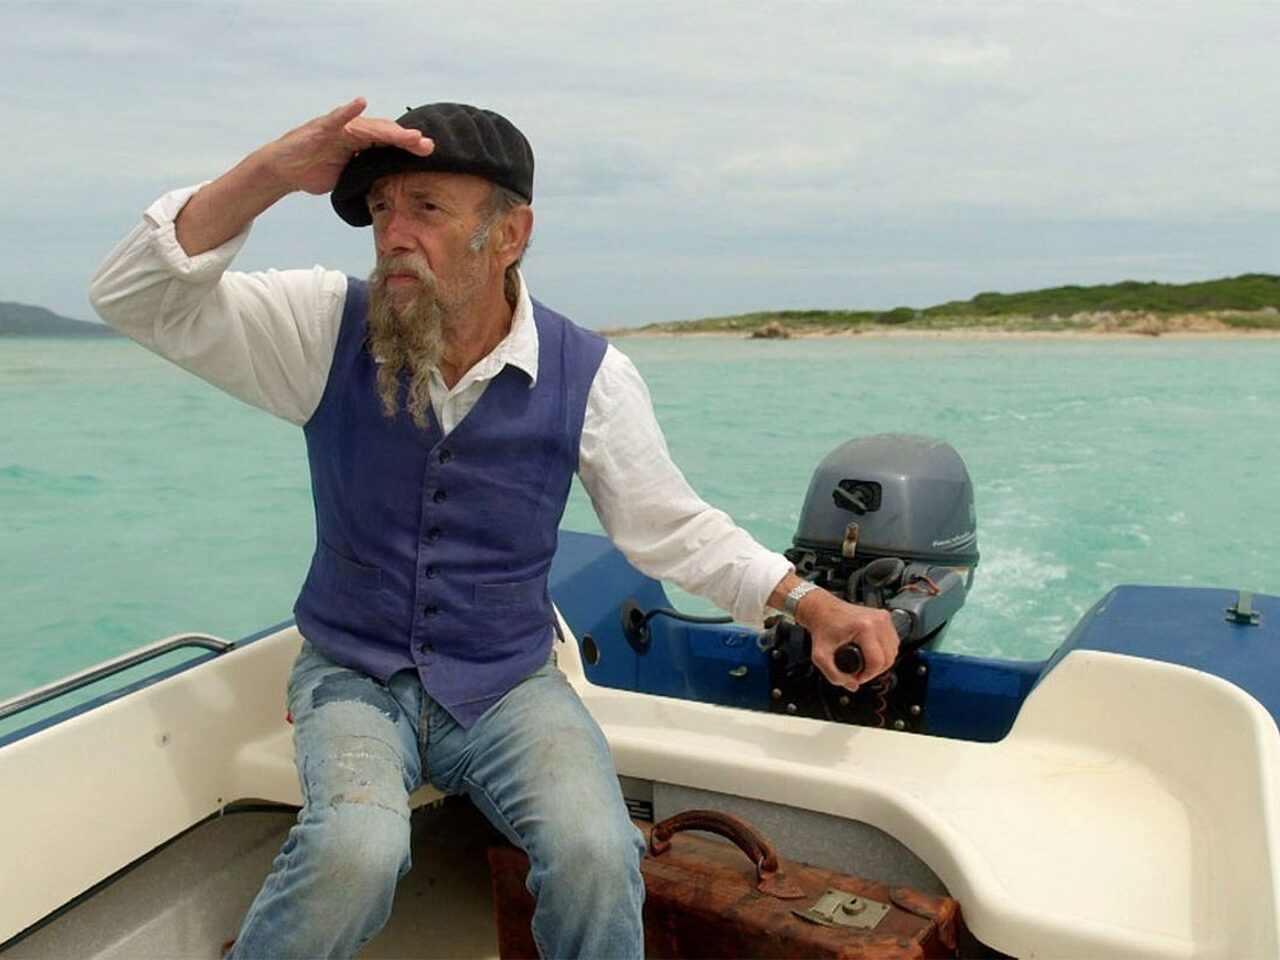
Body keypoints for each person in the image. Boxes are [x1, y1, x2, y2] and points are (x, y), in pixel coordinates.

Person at [90, 98, 900, 959]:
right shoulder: (324, 325)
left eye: (426, 207)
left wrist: (814, 605)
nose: (393, 234)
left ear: (509, 235)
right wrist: (272, 173)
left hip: (510, 682)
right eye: (381, 209)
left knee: (598, 854)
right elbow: (132, 295)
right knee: (353, 853)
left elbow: (672, 528)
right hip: (353, 674)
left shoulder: (589, 374)